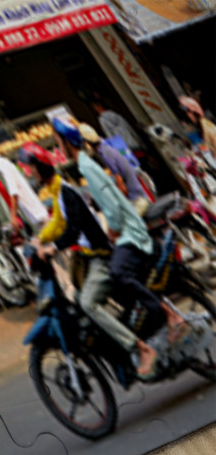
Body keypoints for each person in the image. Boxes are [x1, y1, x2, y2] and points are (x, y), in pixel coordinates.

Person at [52, 117, 186, 362]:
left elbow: (113, 209)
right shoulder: (87, 165)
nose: (58, 148)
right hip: (127, 229)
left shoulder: (87, 168)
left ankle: (168, 314)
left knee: (117, 273)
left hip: (130, 232)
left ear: (66, 144)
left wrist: (112, 231)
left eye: (59, 142)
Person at [25, 141, 162, 379]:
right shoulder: (57, 192)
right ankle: (117, 330)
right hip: (87, 259)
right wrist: (39, 239)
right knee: (77, 298)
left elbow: (73, 229)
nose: (31, 172)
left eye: (33, 168)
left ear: (41, 168)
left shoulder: (66, 192)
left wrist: (52, 248)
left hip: (99, 257)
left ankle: (138, 346)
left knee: (88, 303)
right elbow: (58, 222)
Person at [80, 123, 150, 215]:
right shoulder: (106, 149)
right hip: (138, 195)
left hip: (136, 200)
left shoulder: (105, 154)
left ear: (87, 144)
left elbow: (121, 184)